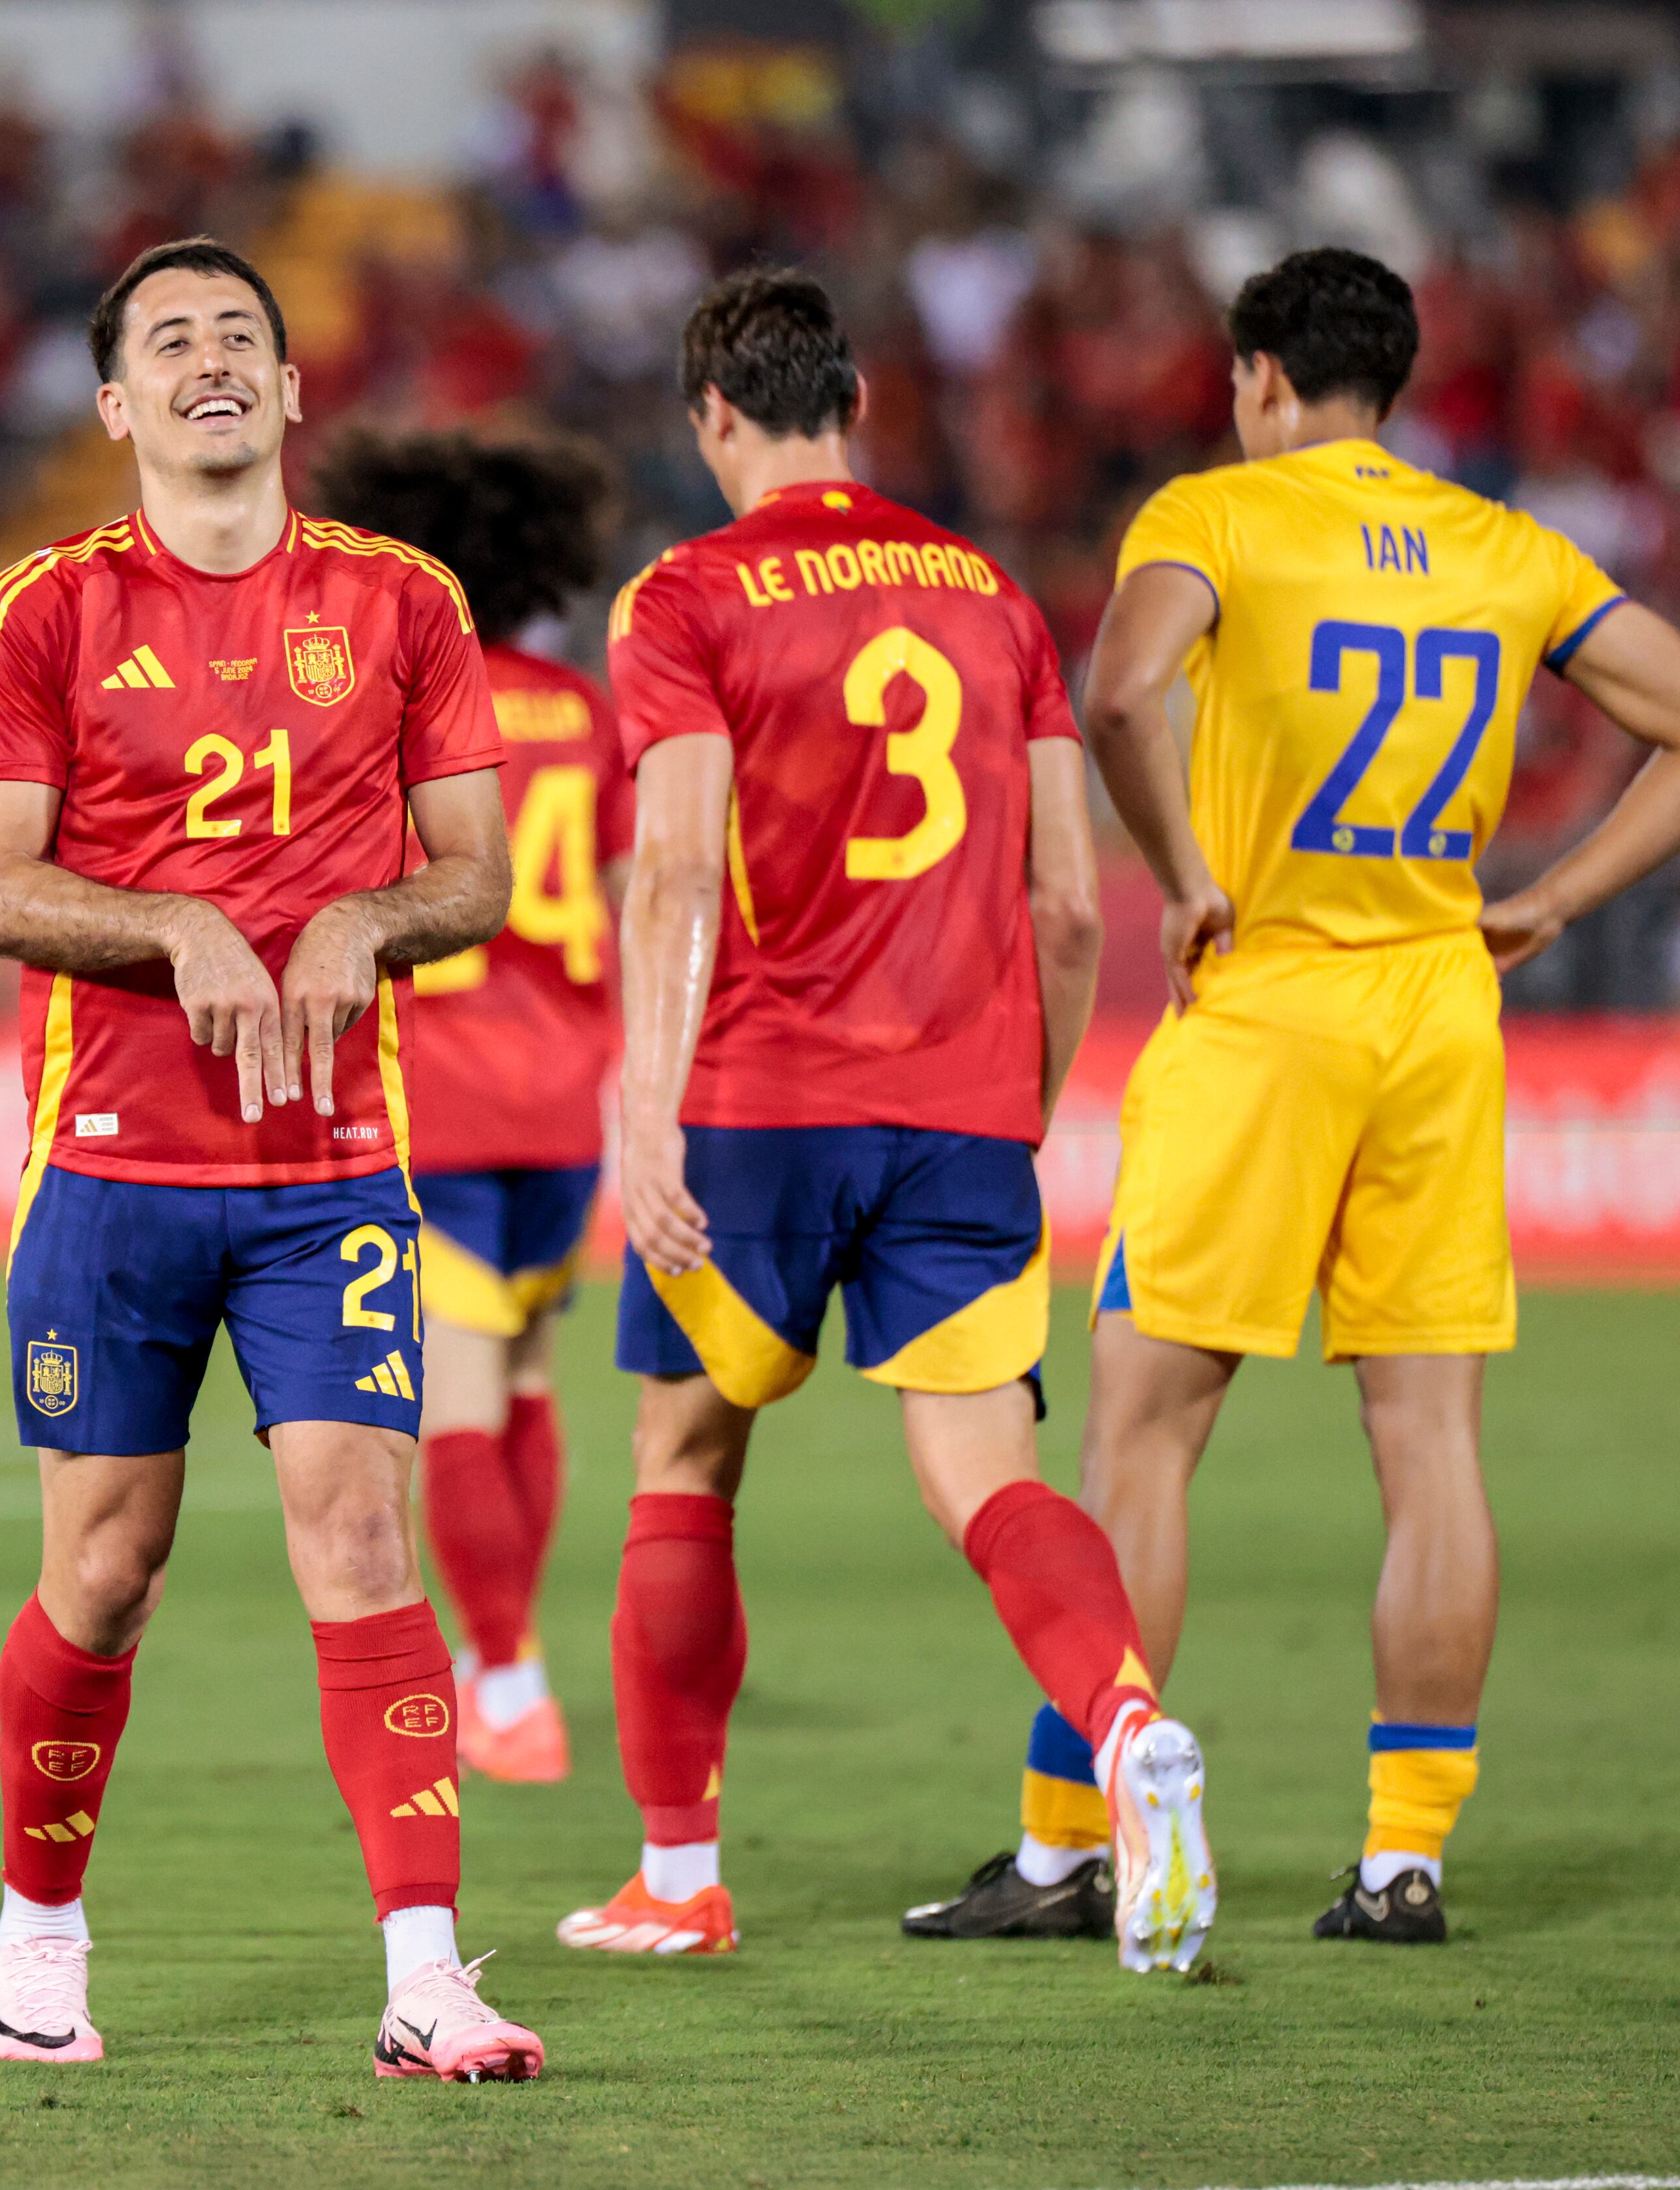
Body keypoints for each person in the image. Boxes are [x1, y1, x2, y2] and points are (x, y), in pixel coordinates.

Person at [904, 248, 1680, 1948]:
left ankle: (1074, 1851)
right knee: (1431, 1443)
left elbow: (1125, 690)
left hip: (1269, 1006)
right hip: (1441, 1011)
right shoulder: (1502, 547)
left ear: (1260, 381)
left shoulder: (1214, 521)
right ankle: (1403, 1863)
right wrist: (1555, 899)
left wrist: (1183, 867)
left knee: (1144, 1433)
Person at [565, 268, 1214, 1976]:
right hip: (960, 1116)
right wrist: (1013, 1098)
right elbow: (1073, 907)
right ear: (851, 402)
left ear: (716, 413)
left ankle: (680, 1876)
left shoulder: (687, 595)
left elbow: (683, 864)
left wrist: (645, 1105)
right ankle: (1129, 1723)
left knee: (685, 1458)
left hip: (760, 1107)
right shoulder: (993, 598)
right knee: (985, 1475)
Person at [0, 238, 537, 2078]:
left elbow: (477, 874)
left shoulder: (403, 605)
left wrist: (371, 920)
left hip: (335, 1173)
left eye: (242, 341)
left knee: (364, 1536)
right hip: (115, 1168)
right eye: (170, 344)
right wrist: (173, 928)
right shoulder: (42, 610)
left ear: (290, 393)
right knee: (107, 1573)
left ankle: (426, 1974)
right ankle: (38, 1933)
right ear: (119, 406)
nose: (212, 363)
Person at [309, 428, 627, 1785]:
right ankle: (512, 1657)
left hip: (438, 1095)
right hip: (564, 1098)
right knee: (531, 1383)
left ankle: (504, 1679)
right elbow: (620, 893)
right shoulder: (584, 705)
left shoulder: (398, 711)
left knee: (457, 1407)